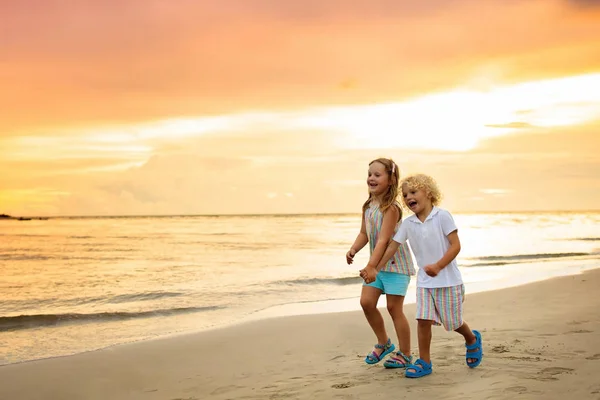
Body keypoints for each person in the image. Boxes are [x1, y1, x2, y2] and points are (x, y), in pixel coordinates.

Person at [376, 173, 483, 378]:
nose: (408, 198)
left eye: (413, 192)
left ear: (428, 193)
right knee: (423, 320)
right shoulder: (408, 224)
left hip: (449, 281)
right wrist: (376, 267)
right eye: (405, 195)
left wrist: (439, 265)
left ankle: (471, 339)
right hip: (425, 283)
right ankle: (424, 362)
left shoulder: (442, 216)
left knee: (453, 323)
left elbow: (456, 245)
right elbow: (393, 246)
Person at [347, 158, 416, 368]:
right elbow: (364, 233)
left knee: (394, 309)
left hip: (395, 266)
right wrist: (353, 249)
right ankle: (384, 342)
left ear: (391, 179)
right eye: (369, 174)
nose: (371, 178)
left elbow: (385, 240)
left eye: (377, 175)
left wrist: (371, 266)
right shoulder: (368, 206)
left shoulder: (391, 208)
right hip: (376, 266)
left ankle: (405, 353)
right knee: (366, 303)